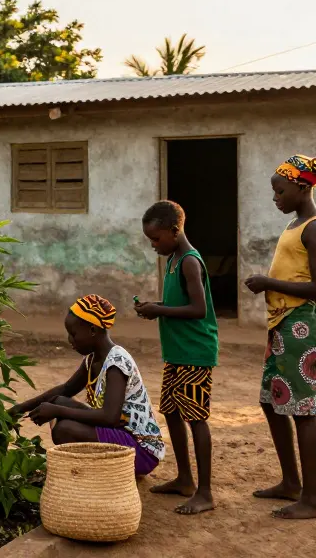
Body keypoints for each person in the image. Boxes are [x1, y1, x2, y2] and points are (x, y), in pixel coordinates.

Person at [244, 155, 316, 520]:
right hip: (283, 324)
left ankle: (312, 500)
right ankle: (291, 483)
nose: (275, 197)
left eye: (280, 191)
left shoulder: (315, 228)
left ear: (301, 187)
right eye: (274, 191)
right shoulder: (295, 224)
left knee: (303, 411)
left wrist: (269, 283)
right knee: (272, 402)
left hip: (303, 324)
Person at [10, 295, 165, 477]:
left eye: (73, 334)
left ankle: (91, 477)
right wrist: (19, 409)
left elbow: (109, 417)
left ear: (92, 330)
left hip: (140, 451)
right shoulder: (92, 359)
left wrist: (57, 411)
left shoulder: (116, 363)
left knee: (64, 429)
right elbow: (65, 390)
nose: (70, 339)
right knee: (59, 400)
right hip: (120, 434)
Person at [134, 200, 219, 515]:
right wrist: (155, 307)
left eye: (156, 239)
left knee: (196, 418)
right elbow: (179, 302)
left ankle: (205, 492)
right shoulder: (172, 259)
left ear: (174, 231)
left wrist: (160, 311)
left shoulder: (189, 261)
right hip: (177, 352)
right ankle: (185, 479)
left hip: (195, 352)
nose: (153, 245)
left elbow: (199, 309)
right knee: (171, 411)